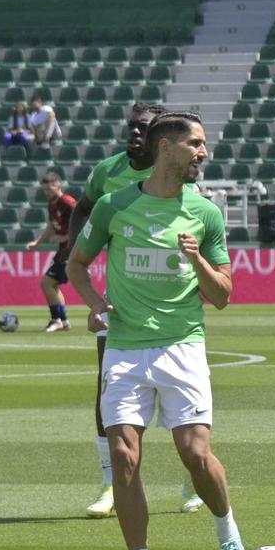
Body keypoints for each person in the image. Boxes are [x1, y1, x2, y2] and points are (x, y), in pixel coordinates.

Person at [67, 112, 247, 550]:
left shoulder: (205, 212)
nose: (202, 152)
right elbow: (77, 264)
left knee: (195, 453)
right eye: (195, 143)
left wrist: (198, 259)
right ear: (165, 148)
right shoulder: (113, 205)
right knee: (124, 457)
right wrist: (96, 304)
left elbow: (225, 293)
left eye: (203, 144)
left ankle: (228, 533)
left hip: (181, 346)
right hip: (124, 350)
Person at [68, 103, 203, 519]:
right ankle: (110, 482)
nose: (133, 135)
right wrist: (73, 254)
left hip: (170, 306)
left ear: (160, 140)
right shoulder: (108, 172)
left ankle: (192, 476)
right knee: (106, 391)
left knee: (179, 405)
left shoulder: (182, 180)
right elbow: (83, 207)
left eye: (141, 128)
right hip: (119, 300)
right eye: (130, 127)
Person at [26, 170, 81, 333]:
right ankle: (63, 321)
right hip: (63, 251)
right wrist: (37, 243)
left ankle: (56, 320)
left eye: (49, 189)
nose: (47, 192)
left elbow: (82, 224)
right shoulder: (53, 204)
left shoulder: (68, 203)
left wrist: (64, 238)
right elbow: (51, 226)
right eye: (45, 190)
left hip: (71, 251)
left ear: (58, 185)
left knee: (46, 283)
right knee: (53, 286)